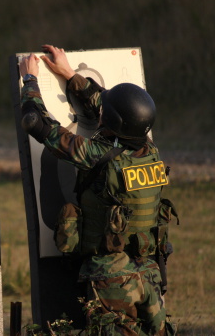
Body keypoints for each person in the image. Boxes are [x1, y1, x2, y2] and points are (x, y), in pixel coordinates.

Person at [19, 45, 177, 335]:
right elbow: (114, 108)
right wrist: (68, 74)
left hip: (111, 279)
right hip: (149, 271)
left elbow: (36, 122)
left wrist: (29, 81)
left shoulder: (97, 154)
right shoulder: (149, 150)